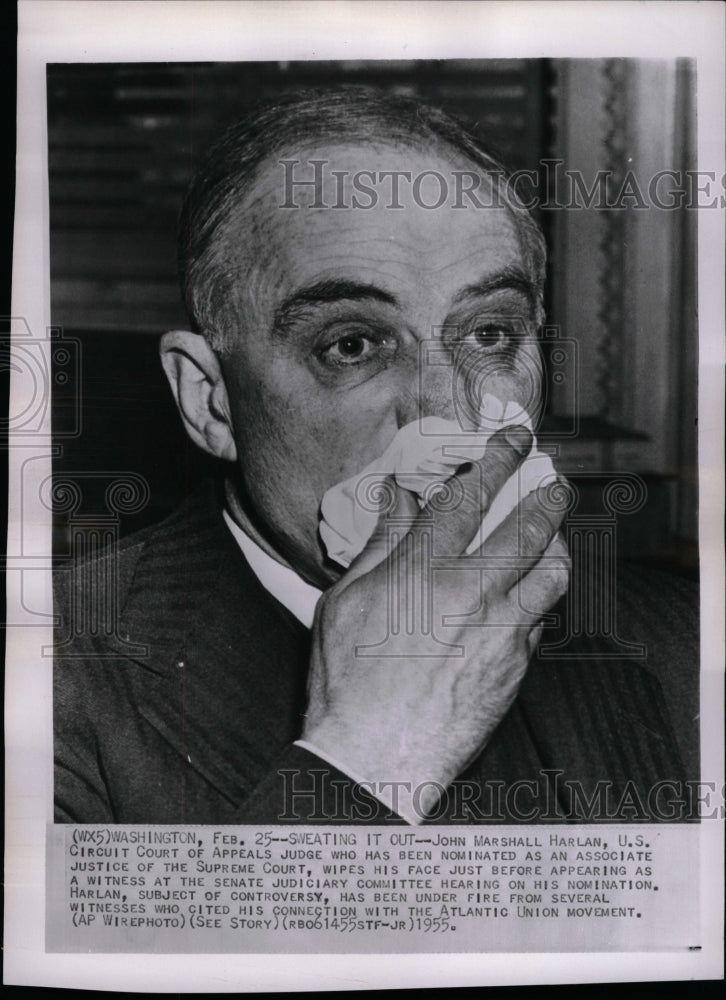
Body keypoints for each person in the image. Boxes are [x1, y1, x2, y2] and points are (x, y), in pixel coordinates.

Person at [54, 88, 699, 825]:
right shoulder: (58, 682)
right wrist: (366, 759)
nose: (445, 409)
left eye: (489, 333)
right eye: (352, 345)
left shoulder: (685, 641)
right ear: (210, 401)